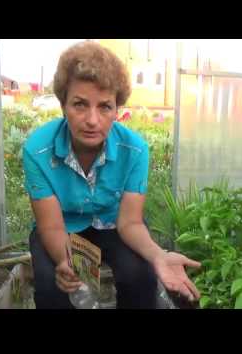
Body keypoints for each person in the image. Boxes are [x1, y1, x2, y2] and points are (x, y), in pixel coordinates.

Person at [23, 41, 201, 309]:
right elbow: (51, 226)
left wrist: (159, 255)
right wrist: (64, 261)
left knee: (140, 276)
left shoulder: (135, 150)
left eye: (105, 106)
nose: (92, 120)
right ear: (63, 105)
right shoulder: (38, 150)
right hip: (62, 227)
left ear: (117, 109)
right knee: (52, 285)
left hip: (113, 224)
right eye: (80, 104)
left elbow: (130, 223)